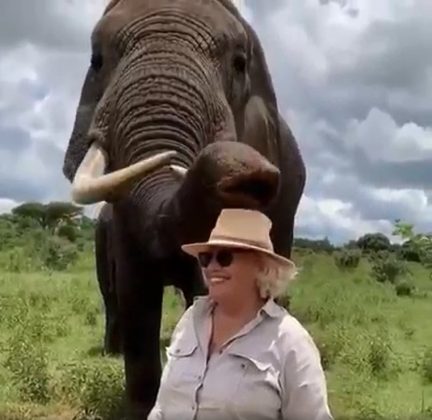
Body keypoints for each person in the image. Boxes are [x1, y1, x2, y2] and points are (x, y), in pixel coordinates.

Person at [148, 208, 333, 420]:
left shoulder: (290, 342)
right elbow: (161, 408)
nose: (212, 267)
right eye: (206, 258)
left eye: (225, 257)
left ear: (261, 266)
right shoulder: (191, 320)